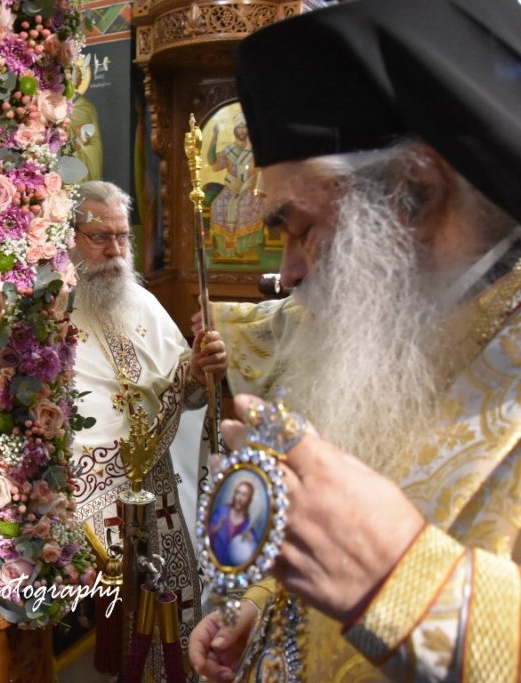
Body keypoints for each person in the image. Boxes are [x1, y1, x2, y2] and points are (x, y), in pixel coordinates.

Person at [187, 1, 521, 681]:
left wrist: (402, 582)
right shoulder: (401, 327)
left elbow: (381, 564)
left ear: (414, 194)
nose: (287, 272)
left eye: (300, 227)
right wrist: (268, 602)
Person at [68, 181, 227, 673]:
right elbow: (76, 432)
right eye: (100, 238)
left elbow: (190, 392)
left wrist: (201, 367)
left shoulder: (143, 302)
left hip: (157, 495)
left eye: (122, 237)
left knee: (176, 613)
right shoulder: (51, 314)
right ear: (70, 237)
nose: (115, 251)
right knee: (115, 637)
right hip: (93, 508)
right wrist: (185, 378)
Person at [206, 115, 264, 261]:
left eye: (244, 127)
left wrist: (254, 185)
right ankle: (224, 249)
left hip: (248, 189)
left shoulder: (254, 151)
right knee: (218, 205)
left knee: (243, 207)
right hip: (230, 188)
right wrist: (214, 138)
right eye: (239, 127)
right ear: (235, 130)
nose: (242, 130)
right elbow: (213, 163)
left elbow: (261, 171)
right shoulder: (229, 150)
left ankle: (243, 249)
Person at [207, 479, 258, 568]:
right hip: (212, 565)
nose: (239, 498)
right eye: (237, 493)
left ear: (249, 499)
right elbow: (205, 533)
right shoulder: (222, 512)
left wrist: (251, 541)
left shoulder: (248, 524)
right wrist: (217, 528)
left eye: (244, 495)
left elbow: (253, 553)